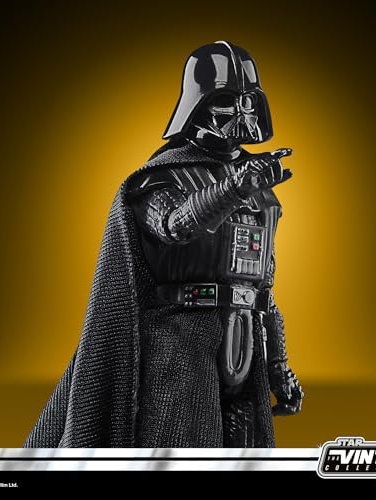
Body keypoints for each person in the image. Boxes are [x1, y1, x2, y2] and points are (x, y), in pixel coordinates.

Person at [25, 41, 303, 448]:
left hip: (246, 339)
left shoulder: (261, 190)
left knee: (247, 454)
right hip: (179, 339)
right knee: (180, 451)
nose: (239, 114)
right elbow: (176, 226)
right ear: (198, 105)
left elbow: (264, 289)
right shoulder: (160, 178)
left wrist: (279, 366)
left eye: (247, 102)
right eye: (225, 101)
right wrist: (234, 187)